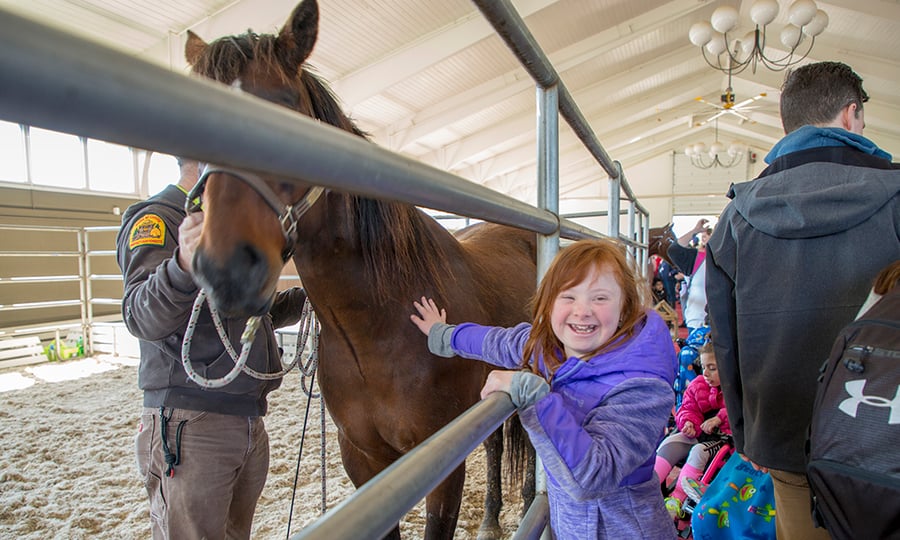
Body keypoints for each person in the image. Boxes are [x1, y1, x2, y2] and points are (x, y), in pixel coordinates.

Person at [705, 61, 900, 540]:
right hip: (884, 430)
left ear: (787, 123)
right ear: (852, 114)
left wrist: (748, 432)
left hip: (782, 428)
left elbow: (724, 338)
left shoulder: (735, 217)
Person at [410, 238, 678, 539]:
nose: (583, 310)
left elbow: (591, 477)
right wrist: (444, 335)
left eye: (600, 298)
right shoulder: (553, 347)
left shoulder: (642, 387)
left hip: (627, 530)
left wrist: (531, 396)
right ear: (549, 304)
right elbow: (499, 341)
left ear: (625, 307)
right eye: (568, 296)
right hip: (573, 527)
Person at [115, 157, 307, 539]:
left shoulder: (226, 223)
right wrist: (183, 264)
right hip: (192, 421)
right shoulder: (158, 219)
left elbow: (249, 312)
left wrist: (309, 297)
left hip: (247, 418)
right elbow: (142, 316)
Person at [654, 340, 730, 520]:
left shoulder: (735, 387)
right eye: (703, 367)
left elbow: (742, 410)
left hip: (724, 439)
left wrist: (719, 418)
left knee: (698, 451)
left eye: (712, 368)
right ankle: (646, 488)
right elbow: (687, 408)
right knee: (670, 442)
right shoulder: (698, 384)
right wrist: (688, 422)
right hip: (698, 432)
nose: (705, 373)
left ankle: (677, 499)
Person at [667, 218, 711, 335]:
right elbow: (674, 250)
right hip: (698, 321)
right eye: (705, 236)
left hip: (723, 320)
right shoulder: (698, 258)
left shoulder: (730, 258)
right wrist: (695, 230)